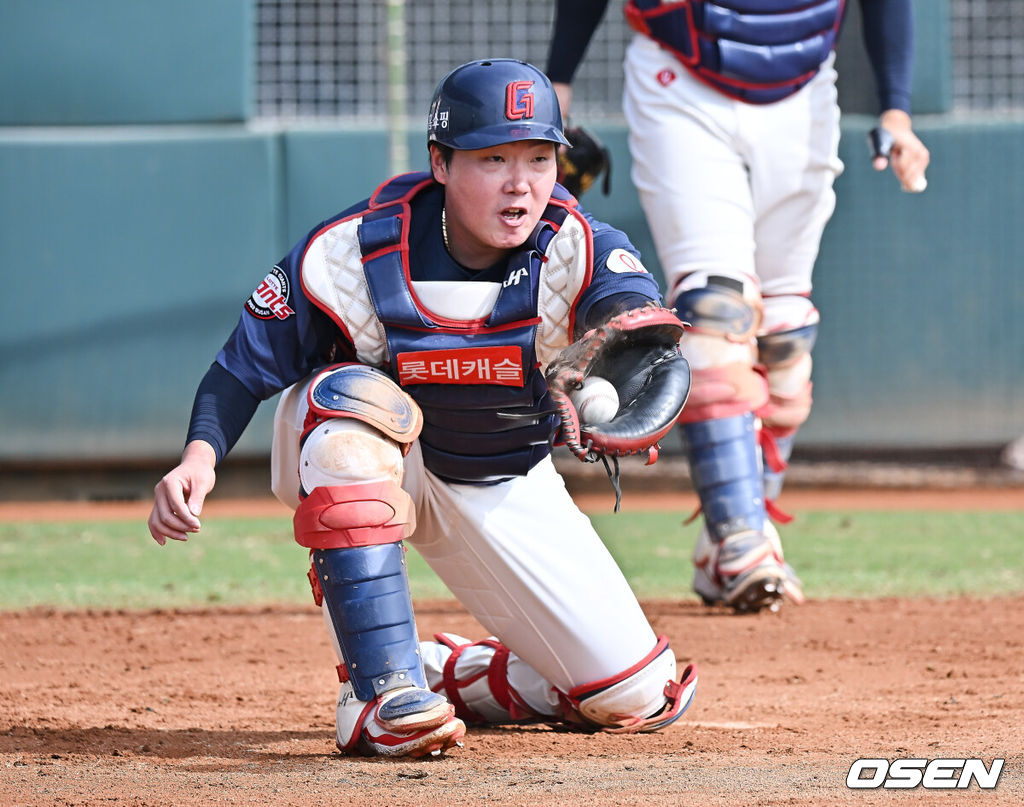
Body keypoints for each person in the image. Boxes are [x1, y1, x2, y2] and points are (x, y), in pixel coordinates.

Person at [147, 58, 697, 759]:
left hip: (503, 478)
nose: (522, 182)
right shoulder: (352, 251)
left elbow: (634, 322)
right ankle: (378, 692)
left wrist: (625, 348)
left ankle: (450, 670)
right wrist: (199, 457)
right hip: (381, 461)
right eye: (493, 157)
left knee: (635, 694)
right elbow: (241, 366)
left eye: (539, 157)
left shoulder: (579, 247)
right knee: (350, 404)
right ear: (440, 162)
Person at [547, 0, 931, 613]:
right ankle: (742, 540)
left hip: (805, 90)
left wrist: (897, 108)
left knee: (785, 335)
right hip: (682, 80)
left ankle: (732, 533)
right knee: (716, 309)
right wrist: (557, 81)